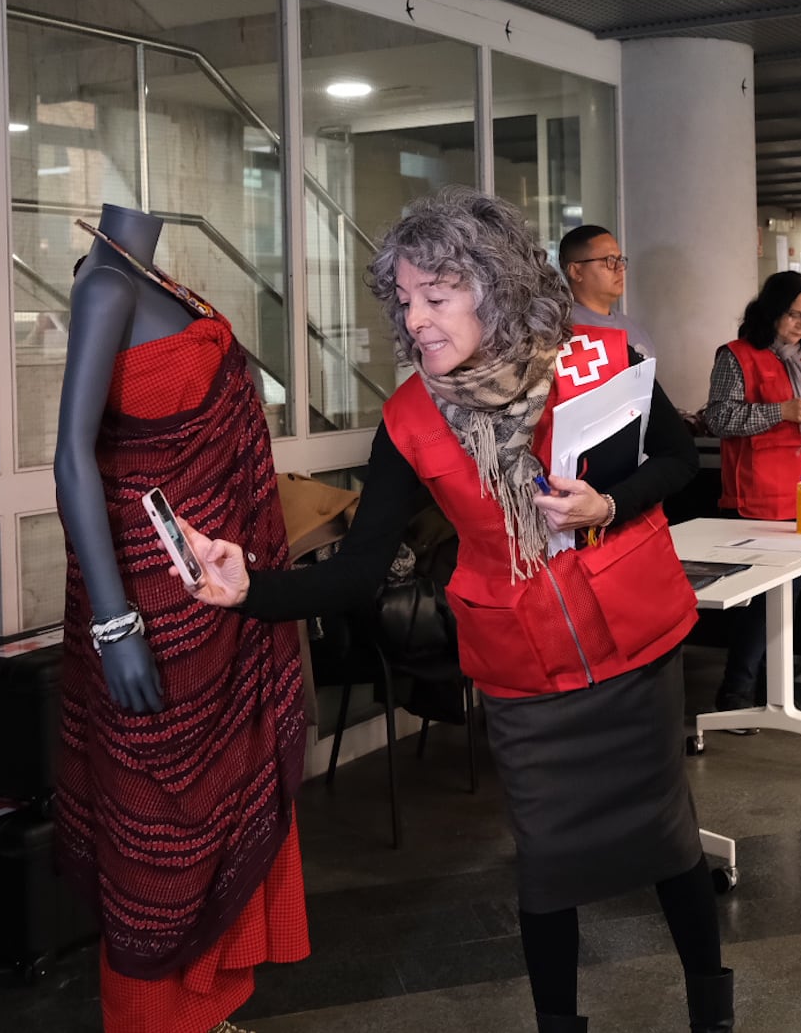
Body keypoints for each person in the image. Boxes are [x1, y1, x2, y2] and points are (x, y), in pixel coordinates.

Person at [189, 189, 734, 1033]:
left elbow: (674, 460)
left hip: (632, 648)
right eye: (404, 302)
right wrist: (248, 588)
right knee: (547, 864)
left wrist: (607, 506)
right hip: (524, 670)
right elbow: (360, 569)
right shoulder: (409, 419)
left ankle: (713, 1009)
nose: (416, 323)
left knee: (669, 840)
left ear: (494, 288)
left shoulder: (598, 352)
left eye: (435, 299)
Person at [51, 204, 308, 1033]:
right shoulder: (105, 286)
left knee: (223, 807)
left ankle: (205, 1008)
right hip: (148, 616)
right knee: (154, 839)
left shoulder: (166, 284)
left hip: (217, 610)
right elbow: (71, 460)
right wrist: (116, 627)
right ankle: (150, 1020)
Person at [701, 271, 801, 716]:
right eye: (792, 315)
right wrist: (780, 411)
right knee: (762, 604)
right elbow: (719, 419)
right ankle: (738, 692)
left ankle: (770, 689)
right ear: (771, 311)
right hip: (761, 498)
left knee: (800, 600)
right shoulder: (738, 356)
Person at [558, 223, 656, 359]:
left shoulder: (634, 330)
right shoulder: (558, 332)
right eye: (609, 260)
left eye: (620, 259)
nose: (620, 267)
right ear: (576, 271)